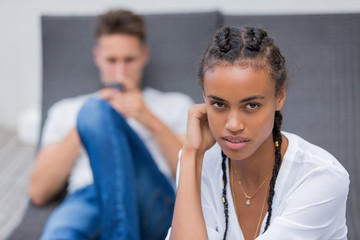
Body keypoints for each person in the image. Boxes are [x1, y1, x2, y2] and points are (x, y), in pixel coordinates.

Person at [167, 26, 349, 240]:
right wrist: (190, 154)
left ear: (279, 96)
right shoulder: (198, 161)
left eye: (251, 105)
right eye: (218, 104)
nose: (233, 124)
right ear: (204, 97)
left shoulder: (320, 177)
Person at [29, 9, 194, 239]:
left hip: (152, 200)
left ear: (144, 55)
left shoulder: (175, 105)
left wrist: (149, 119)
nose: (120, 71)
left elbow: (197, 177)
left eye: (129, 60)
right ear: (97, 57)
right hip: (89, 196)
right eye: (111, 60)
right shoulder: (67, 110)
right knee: (59, 233)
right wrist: (90, 126)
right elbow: (39, 192)